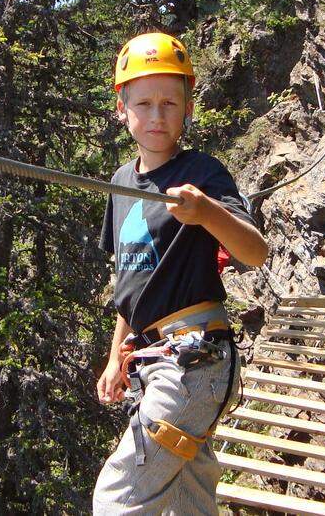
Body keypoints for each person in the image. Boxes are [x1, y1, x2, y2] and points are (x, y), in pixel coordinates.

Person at [92, 32, 269, 515]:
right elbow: (129, 285)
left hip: (195, 358)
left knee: (117, 499)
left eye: (170, 102)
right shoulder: (121, 183)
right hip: (156, 359)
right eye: (144, 102)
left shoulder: (203, 173)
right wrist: (114, 360)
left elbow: (255, 252)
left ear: (188, 107)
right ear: (122, 109)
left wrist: (207, 212)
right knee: (185, 502)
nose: (157, 115)